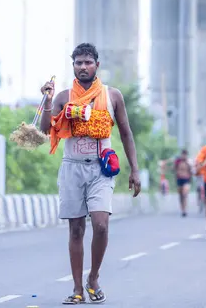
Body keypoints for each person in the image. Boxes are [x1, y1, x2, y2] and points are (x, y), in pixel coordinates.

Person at [39, 43, 141, 305]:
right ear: (73, 66)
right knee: (75, 229)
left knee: (101, 225)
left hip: (101, 168)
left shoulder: (112, 95)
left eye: (87, 62)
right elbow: (43, 130)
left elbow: (126, 133)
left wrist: (135, 169)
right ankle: (77, 289)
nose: (83, 67)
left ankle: (93, 277)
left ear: (97, 65)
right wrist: (48, 101)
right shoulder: (63, 96)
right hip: (72, 166)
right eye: (78, 63)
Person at [174, 149, 192, 217]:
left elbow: (191, 170)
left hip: (186, 179)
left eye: (185, 155)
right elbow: (174, 169)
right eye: (183, 154)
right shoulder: (178, 161)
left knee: (185, 194)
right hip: (179, 179)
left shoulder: (188, 162)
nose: (184, 156)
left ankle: (185, 210)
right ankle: (182, 209)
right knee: (181, 195)